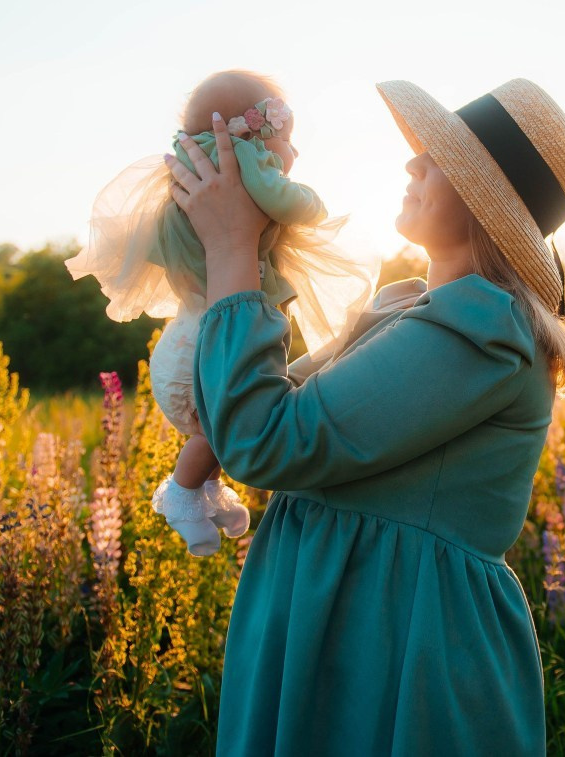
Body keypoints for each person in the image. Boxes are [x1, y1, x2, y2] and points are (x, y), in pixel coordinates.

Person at [165, 78, 565, 754]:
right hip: (337, 620)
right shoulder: (408, 307)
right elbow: (240, 407)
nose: (412, 163)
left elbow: (265, 441)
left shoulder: (485, 328)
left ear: (487, 204)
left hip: (395, 643)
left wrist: (231, 250)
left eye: (440, 158)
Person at [65, 70, 374, 555]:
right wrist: (311, 202)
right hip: (207, 344)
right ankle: (184, 495)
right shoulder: (244, 163)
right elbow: (285, 199)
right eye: (288, 142)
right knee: (224, 423)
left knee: (222, 425)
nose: (291, 156)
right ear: (256, 134)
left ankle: (209, 491)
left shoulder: (190, 174)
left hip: (188, 334)